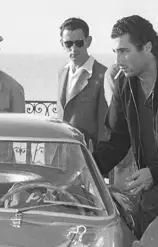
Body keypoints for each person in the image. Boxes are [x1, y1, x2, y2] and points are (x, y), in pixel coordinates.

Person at [93, 15, 158, 236]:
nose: (119, 59)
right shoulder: (123, 84)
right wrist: (87, 171)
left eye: (124, 51)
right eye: (116, 52)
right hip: (150, 194)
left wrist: (156, 171)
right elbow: (115, 140)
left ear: (148, 47)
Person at [55, 18, 108, 152]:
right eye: (68, 44)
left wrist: (100, 159)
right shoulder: (62, 72)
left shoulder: (102, 74)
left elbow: (104, 123)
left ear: (88, 41)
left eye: (79, 43)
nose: (73, 49)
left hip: (87, 152)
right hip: (62, 149)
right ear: (62, 43)